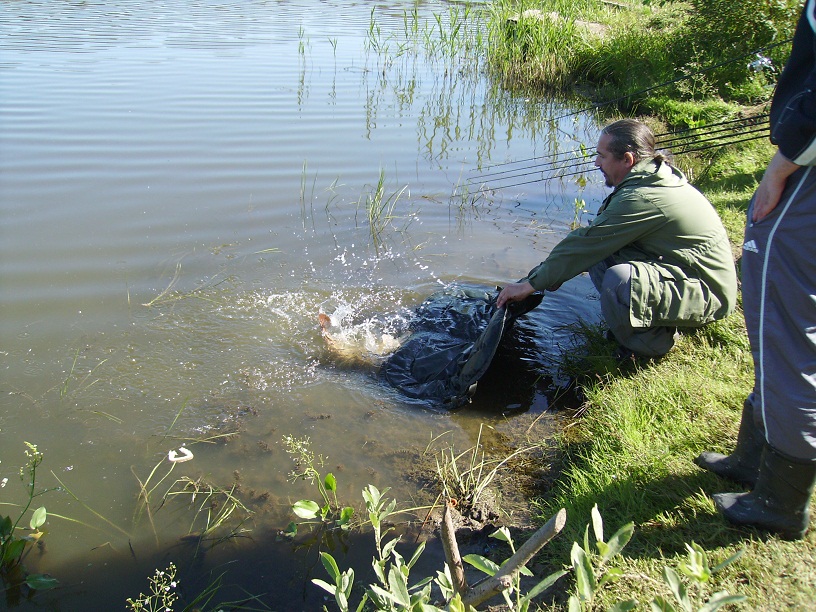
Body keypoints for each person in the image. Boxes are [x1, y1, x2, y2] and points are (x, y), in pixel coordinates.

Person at [694, 0, 816, 540]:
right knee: (780, 328)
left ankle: (779, 501)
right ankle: (755, 459)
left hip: (806, 175)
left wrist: (785, 160)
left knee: (785, 332)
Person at [497, 118, 738, 359]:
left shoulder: (642, 197)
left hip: (709, 293)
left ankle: (649, 345)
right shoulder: (648, 178)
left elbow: (586, 243)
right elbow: (591, 242)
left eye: (602, 156)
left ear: (627, 159)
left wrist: (530, 285)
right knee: (600, 255)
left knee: (620, 280)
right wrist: (551, 275)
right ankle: (645, 322)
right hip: (686, 275)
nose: (596, 163)